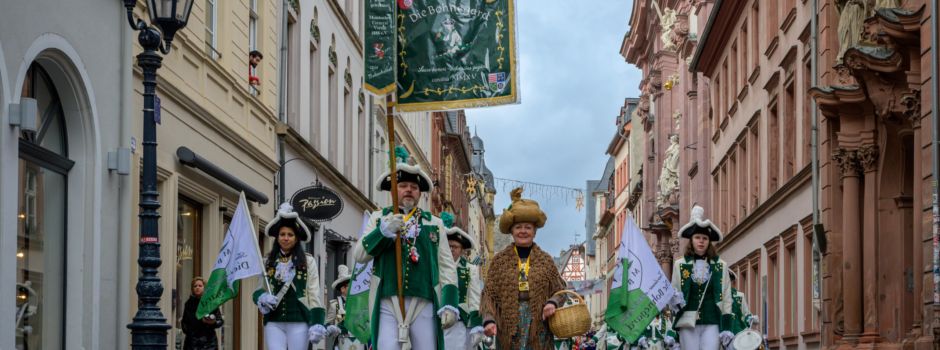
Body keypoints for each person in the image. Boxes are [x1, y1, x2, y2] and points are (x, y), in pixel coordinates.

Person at [353, 146, 460, 350]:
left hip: (424, 301)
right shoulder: (379, 218)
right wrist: (382, 232)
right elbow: (360, 255)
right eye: (403, 185)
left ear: (420, 193)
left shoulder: (434, 224)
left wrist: (450, 303)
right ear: (394, 190)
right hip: (387, 300)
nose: (409, 190)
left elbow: (447, 267)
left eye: (413, 186)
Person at [480, 187, 568, 350]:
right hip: (508, 328)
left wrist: (552, 303)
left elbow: (560, 290)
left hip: (539, 328)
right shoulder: (499, 261)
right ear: (511, 231)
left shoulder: (545, 260)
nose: (523, 231)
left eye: (527, 227)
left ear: (534, 232)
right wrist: (489, 320)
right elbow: (489, 296)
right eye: (518, 227)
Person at [253, 203, 327, 350]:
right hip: (273, 320)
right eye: (282, 234)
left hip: (299, 320)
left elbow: (313, 293)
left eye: (290, 235)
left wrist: (317, 321)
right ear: (277, 237)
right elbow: (258, 289)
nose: (285, 238)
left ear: (296, 238)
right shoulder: (267, 261)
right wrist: (262, 297)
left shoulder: (308, 261)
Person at [671, 205, 734, 350]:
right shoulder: (680, 265)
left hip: (712, 321)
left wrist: (727, 326)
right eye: (697, 237)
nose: (701, 241)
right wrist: (675, 300)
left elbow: (726, 298)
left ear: (709, 242)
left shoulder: (720, 266)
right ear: (691, 240)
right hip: (687, 322)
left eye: (704, 238)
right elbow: (674, 293)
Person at [442, 212, 484, 350]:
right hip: (437, 318)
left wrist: (477, 325)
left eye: (455, 247)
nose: (451, 249)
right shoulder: (436, 265)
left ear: (461, 250)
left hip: (460, 322)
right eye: (448, 246)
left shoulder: (470, 268)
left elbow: (474, 298)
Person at [326, 265, 364, 350]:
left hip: (359, 342)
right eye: (350, 285)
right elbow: (327, 324)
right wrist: (331, 329)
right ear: (342, 289)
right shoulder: (336, 304)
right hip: (342, 342)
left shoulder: (360, 302)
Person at [181, 277, 223, 350]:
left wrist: (212, 322)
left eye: (200, 286)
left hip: (209, 343)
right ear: (192, 289)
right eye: (195, 286)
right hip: (192, 343)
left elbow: (220, 320)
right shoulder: (189, 304)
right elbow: (184, 323)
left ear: (205, 288)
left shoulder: (211, 303)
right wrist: (191, 333)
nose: (197, 288)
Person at [728, 271, 759, 336]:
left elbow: (746, 313)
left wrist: (751, 318)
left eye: (729, 280)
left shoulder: (739, 296)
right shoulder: (715, 295)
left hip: (736, 331)